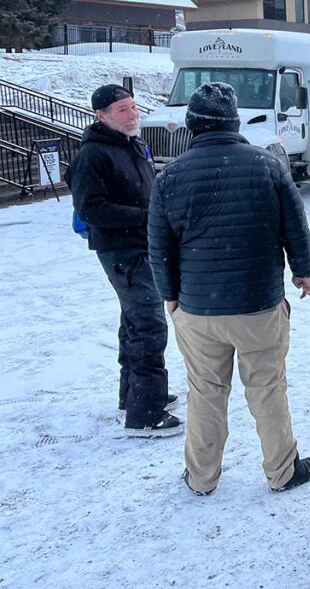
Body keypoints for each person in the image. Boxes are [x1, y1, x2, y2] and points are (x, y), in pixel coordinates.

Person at [148, 82, 310, 495]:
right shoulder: (267, 165)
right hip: (258, 305)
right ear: (234, 122)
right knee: (267, 388)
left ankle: (202, 477)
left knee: (206, 392)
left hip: (197, 308)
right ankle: (282, 472)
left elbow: (159, 246)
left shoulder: (170, 176)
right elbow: (294, 225)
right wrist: (303, 271)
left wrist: (169, 294)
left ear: (191, 126)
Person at [69, 84, 180, 436]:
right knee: (148, 324)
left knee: (133, 320)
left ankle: (133, 393)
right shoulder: (94, 154)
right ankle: (146, 414)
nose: (132, 114)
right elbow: (90, 208)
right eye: (122, 110)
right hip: (122, 251)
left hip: (140, 245)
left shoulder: (130, 143)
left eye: (133, 107)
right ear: (101, 116)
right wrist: (144, 216)